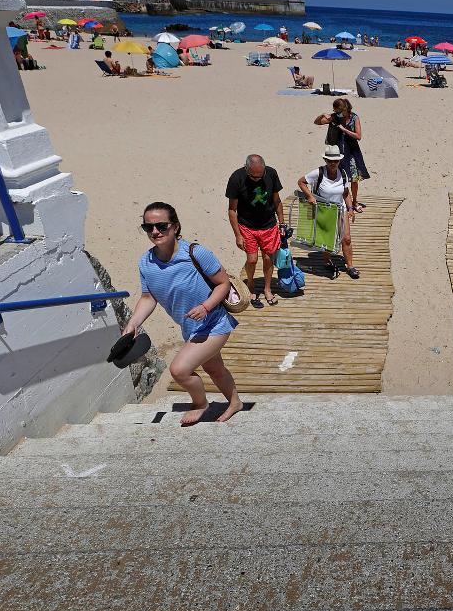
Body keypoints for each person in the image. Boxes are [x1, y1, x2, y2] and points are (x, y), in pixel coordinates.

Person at [125, 202, 241, 427]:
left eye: (162, 226)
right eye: (149, 227)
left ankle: (200, 404)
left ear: (176, 227)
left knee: (179, 369)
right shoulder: (146, 262)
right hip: (190, 328)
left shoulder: (196, 253)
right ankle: (235, 402)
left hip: (214, 323)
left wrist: (206, 306)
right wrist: (134, 323)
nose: (155, 232)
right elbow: (149, 298)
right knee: (214, 368)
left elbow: (223, 283)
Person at [225, 154, 286, 307]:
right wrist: (238, 235)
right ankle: (251, 284)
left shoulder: (271, 173)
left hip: (269, 225)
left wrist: (282, 223)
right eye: (254, 177)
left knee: (268, 259)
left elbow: (276, 200)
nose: (258, 179)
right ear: (247, 170)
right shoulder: (236, 178)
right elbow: (232, 210)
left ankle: (267, 289)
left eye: (261, 176)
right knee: (252, 259)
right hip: (247, 226)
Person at [298, 145, 360, 279]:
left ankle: (350, 266)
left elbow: (345, 193)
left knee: (347, 238)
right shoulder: (318, 172)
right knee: (328, 238)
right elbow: (301, 182)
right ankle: (326, 261)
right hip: (324, 209)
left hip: (340, 208)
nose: (333, 163)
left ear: (339, 161)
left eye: (335, 161)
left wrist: (350, 208)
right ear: (325, 160)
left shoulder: (343, 174)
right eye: (330, 161)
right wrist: (309, 196)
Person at [313, 98, 368, 212]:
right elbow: (317, 122)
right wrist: (323, 114)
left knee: (354, 178)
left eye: (337, 110)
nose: (336, 112)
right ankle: (341, 200)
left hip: (352, 151)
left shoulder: (354, 118)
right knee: (339, 176)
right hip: (337, 151)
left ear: (344, 109)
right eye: (334, 110)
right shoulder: (335, 117)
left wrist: (344, 129)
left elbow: (358, 136)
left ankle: (354, 201)